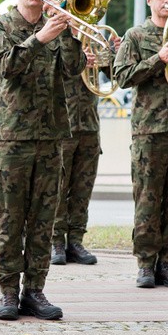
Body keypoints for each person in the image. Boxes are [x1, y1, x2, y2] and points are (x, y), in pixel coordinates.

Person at [0, 0, 82, 321]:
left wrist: (69, 32)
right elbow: (3, 68)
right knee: (9, 218)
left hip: (50, 136)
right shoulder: (0, 25)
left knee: (43, 218)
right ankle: (9, 291)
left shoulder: (56, 26)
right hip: (12, 138)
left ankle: (35, 290)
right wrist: (40, 38)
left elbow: (74, 69)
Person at [113, 0, 168, 289]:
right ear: (150, 1)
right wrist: (157, 59)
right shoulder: (136, 35)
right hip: (149, 129)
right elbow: (122, 76)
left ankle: (167, 262)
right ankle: (146, 263)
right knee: (148, 197)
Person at [51, 39, 103, 267]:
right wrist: (78, 60)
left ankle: (76, 241)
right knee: (59, 187)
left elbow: (116, 76)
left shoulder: (94, 40)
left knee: (83, 188)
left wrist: (109, 55)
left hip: (90, 125)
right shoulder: (54, 38)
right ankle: (55, 241)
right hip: (64, 124)